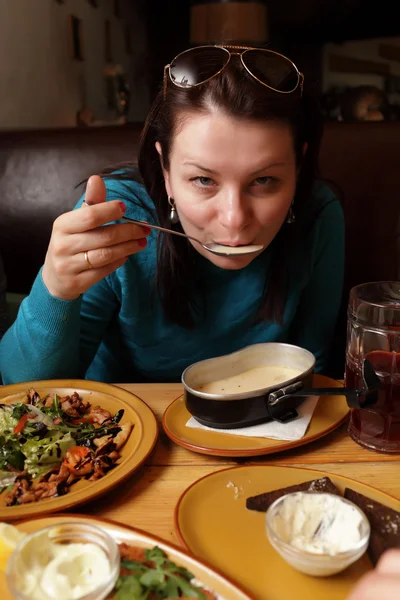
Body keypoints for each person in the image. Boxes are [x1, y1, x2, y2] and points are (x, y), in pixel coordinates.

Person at [0, 45, 344, 384]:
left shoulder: (319, 217)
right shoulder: (116, 217)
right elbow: (24, 392)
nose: (234, 219)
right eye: (204, 180)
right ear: (165, 170)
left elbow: (311, 373)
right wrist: (55, 288)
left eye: (265, 180)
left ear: (298, 167)